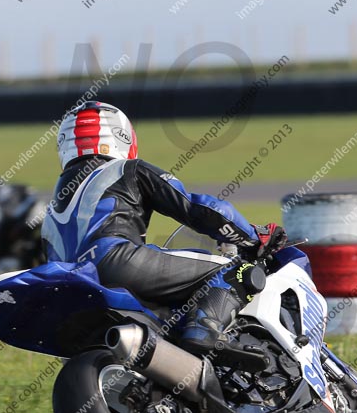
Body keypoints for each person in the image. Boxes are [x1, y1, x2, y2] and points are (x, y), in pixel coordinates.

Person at [41, 101, 287, 354]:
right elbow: (200, 209)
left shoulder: (51, 209)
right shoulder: (126, 168)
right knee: (235, 271)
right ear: (123, 137)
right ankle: (203, 331)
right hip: (119, 261)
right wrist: (253, 237)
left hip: (73, 284)